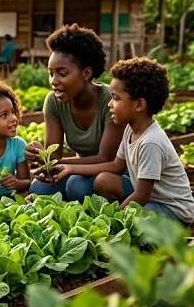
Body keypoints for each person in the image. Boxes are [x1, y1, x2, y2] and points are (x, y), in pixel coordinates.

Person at [53, 58, 194, 224]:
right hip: (149, 197)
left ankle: (128, 224)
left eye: (116, 98)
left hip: (173, 209)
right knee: (103, 180)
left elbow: (141, 195)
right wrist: (71, 168)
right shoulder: (130, 129)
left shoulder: (151, 142)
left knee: (139, 218)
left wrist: (113, 220)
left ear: (139, 105)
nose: (109, 105)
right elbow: (116, 166)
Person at [24, 24, 123, 201]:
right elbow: (54, 156)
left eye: (62, 73)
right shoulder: (54, 102)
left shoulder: (111, 101)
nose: (54, 81)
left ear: (86, 73)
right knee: (39, 188)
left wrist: (58, 165)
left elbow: (105, 158)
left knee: (76, 186)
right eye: (50, 73)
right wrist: (41, 156)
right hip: (78, 171)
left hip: (111, 174)